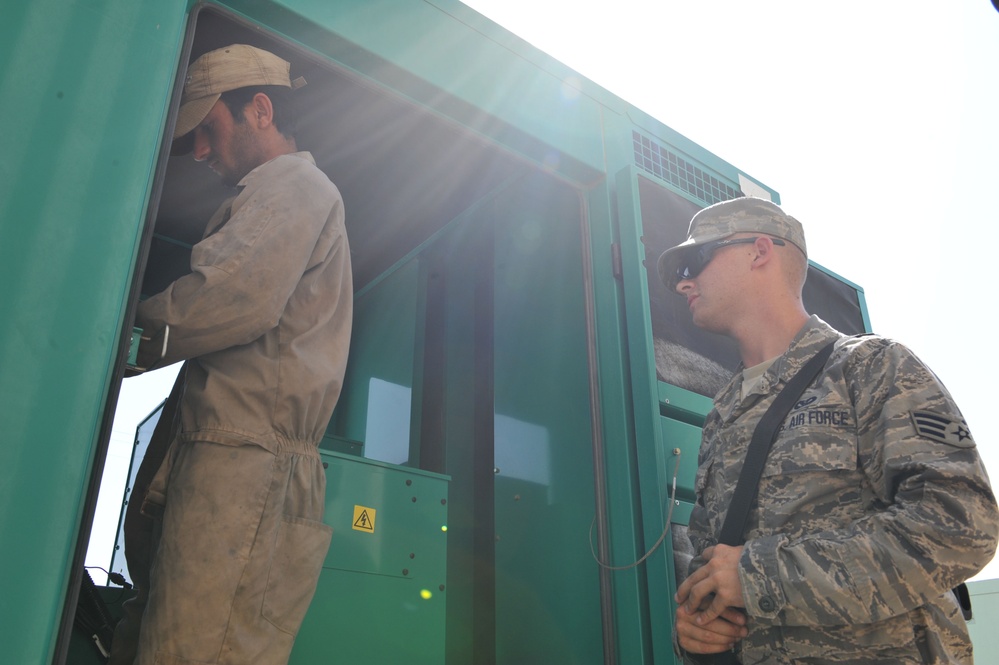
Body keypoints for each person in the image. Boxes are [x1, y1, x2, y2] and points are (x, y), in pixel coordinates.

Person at [658, 197, 999, 664]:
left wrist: (760, 577)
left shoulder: (872, 365)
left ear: (759, 251)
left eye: (693, 261)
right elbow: (711, 561)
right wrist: (697, 626)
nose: (682, 282)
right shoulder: (724, 412)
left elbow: (962, 525)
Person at [109, 43, 352, 665]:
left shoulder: (295, 183)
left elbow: (231, 298)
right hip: (227, 457)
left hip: (247, 465)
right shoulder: (272, 192)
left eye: (207, 129)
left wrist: (113, 333)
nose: (198, 150)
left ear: (261, 111)